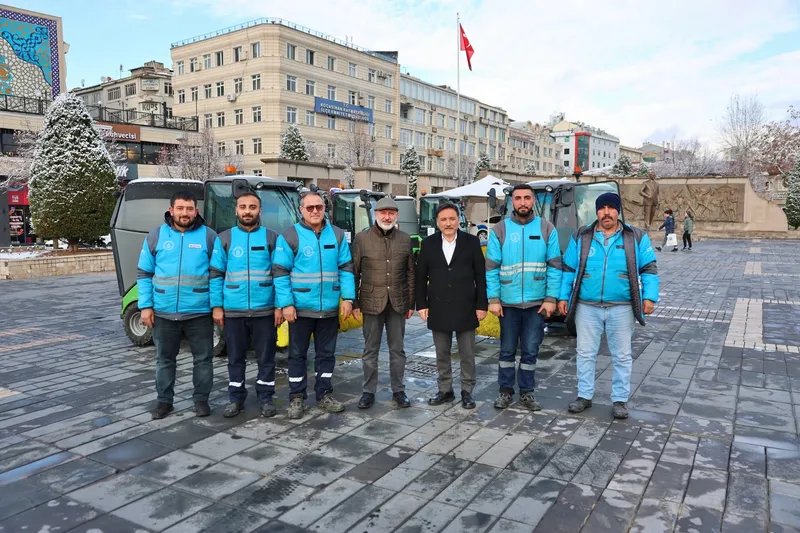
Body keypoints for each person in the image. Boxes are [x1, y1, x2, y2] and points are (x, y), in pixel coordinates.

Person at [558, 192, 659, 419]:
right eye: (602, 208)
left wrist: (650, 297)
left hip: (622, 307)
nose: (606, 213)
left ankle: (620, 400)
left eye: (611, 208)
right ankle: (584, 396)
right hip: (587, 306)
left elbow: (649, 268)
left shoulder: (635, 236)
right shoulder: (582, 236)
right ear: (597, 212)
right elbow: (568, 269)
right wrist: (563, 297)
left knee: (622, 355)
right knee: (585, 353)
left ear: (618, 211)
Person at [137, 191, 222, 420]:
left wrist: (216, 306)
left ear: (196, 211)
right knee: (164, 360)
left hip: (199, 312)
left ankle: (201, 400)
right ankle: (164, 401)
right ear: (171, 210)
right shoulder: (156, 236)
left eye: (189, 209)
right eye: (180, 208)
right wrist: (145, 306)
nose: (185, 213)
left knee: (203, 360)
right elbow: (144, 273)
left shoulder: (209, 236)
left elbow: (216, 275)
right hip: (164, 312)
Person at [273, 190, 356, 420]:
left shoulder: (337, 235)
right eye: (309, 208)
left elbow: (346, 267)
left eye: (319, 207)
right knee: (297, 355)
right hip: (300, 309)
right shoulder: (290, 235)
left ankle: (324, 394)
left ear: (324, 208)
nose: (315, 211)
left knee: (326, 355)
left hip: (329, 309)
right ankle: (296, 397)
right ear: (301, 210)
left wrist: (348, 298)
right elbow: (280, 272)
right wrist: (286, 304)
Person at [486, 184, 561, 411]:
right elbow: (491, 268)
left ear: (533, 201)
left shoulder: (547, 228)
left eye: (527, 198)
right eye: (518, 198)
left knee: (530, 350)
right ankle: (505, 391)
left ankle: (527, 392)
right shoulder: (500, 230)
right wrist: (493, 299)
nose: (522, 202)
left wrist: (551, 298)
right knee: (507, 350)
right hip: (507, 303)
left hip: (536, 303)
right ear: (512, 202)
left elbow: (554, 266)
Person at [210, 191, 283, 419]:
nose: (247, 211)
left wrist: (279, 306)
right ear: (236, 210)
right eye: (243, 207)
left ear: (260, 210)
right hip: (234, 310)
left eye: (252, 207)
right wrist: (217, 306)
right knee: (235, 358)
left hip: (265, 310)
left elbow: (280, 274)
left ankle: (266, 398)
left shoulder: (272, 238)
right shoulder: (225, 238)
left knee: (266, 358)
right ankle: (236, 399)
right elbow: (216, 274)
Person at [416, 202, 487, 409]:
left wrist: (481, 304)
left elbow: (480, 276)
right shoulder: (428, 244)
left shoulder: (471, 242)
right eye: (444, 220)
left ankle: (467, 391)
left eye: (452, 219)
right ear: (437, 222)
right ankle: (445, 390)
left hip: (466, 306)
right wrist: (421, 304)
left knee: (467, 353)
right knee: (442, 353)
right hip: (438, 306)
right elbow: (420, 277)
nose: (448, 223)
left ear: (459, 221)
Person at [351, 197, 416, 409]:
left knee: (398, 350)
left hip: (398, 303)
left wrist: (411, 303)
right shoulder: (362, 239)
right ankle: (368, 391)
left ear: (397, 216)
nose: (387, 217)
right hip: (371, 302)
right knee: (370, 350)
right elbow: (354, 272)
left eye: (391, 213)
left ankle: (399, 390)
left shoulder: (405, 239)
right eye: (383, 213)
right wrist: (354, 303)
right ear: (376, 214)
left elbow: (411, 273)